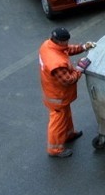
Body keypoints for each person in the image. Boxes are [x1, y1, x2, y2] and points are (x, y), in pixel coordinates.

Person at [38, 27, 95, 158]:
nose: (68, 43)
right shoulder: (56, 63)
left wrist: (84, 47)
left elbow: (66, 50)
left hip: (56, 93)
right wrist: (80, 68)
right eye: (66, 41)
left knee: (65, 115)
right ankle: (55, 150)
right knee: (57, 122)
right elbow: (69, 80)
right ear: (60, 42)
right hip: (56, 96)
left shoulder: (48, 45)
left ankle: (68, 134)